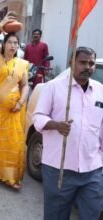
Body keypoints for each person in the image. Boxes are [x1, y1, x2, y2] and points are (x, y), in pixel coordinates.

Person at [33, 47, 103, 220]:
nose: (88, 67)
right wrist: (56, 125)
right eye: (83, 62)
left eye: (91, 63)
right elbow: (38, 117)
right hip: (59, 167)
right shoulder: (53, 87)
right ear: (72, 63)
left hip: (92, 168)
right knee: (56, 215)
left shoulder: (100, 90)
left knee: (92, 213)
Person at [0, 13, 29, 189]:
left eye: (16, 43)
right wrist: (1, 24)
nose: (13, 45)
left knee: (13, 143)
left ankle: (11, 178)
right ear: (4, 44)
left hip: (13, 111)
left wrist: (21, 102)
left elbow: (25, 85)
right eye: (10, 42)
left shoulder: (21, 64)